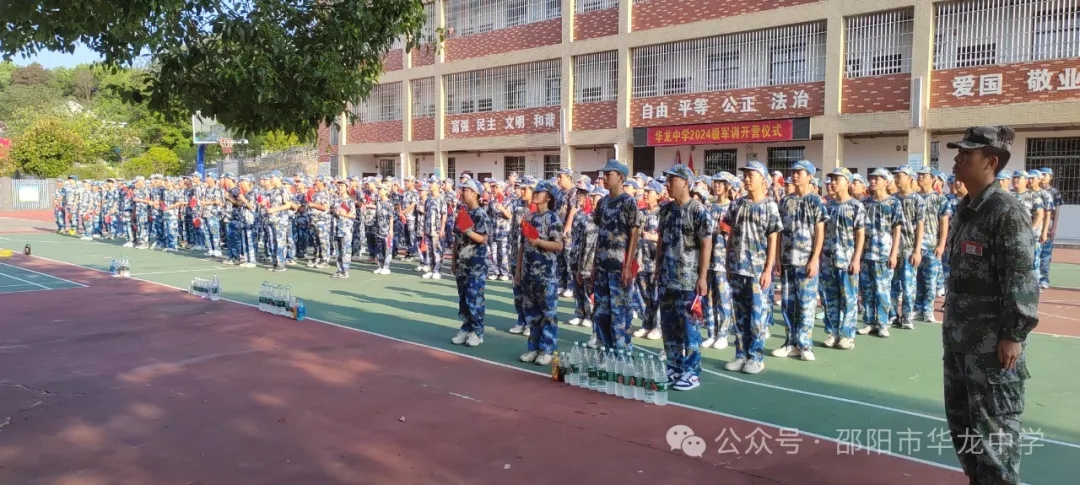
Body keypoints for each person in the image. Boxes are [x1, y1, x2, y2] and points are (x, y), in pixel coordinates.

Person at [944, 125, 1039, 485]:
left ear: (991, 162)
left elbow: (1021, 277)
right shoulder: (966, 208)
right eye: (958, 153)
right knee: (964, 430)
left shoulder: (1005, 211)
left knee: (995, 438)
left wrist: (1014, 334)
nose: (958, 159)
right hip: (960, 341)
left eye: (967, 154)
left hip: (992, 347)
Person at [655, 165, 713, 390]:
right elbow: (661, 241)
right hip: (667, 278)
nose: (667, 185)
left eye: (672, 180)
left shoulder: (698, 210)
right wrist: (658, 268)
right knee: (669, 326)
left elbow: (706, 244)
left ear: (686, 183)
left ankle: (692, 372)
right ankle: (674, 366)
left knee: (690, 328)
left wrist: (702, 277)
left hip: (689, 280)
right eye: (667, 180)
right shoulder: (665, 210)